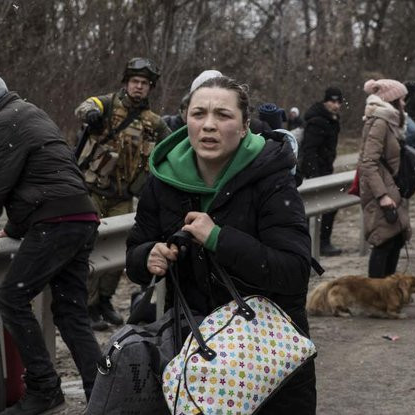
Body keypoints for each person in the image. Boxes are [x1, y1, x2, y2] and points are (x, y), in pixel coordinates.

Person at [126, 75, 316, 414]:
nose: (209, 125)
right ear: (185, 119)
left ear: (244, 126)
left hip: (267, 354)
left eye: (223, 115)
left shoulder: (272, 180)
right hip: (196, 352)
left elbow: (294, 272)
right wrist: (148, 256)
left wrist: (218, 238)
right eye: (199, 114)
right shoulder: (162, 181)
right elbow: (135, 255)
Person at [0, 71, 102, 414]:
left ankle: (43, 388)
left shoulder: (4, 123)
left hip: (56, 223)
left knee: (11, 299)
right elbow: (37, 179)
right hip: (81, 217)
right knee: (70, 313)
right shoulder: (32, 113)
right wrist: (14, 229)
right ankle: (102, 392)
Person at [74, 57, 171, 330]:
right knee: (90, 247)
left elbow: (174, 144)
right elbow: (85, 106)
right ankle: (88, 304)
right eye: (135, 82)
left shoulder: (152, 122)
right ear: (127, 83)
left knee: (119, 251)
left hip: (123, 196)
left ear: (150, 88)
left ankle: (105, 301)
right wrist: (90, 114)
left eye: (144, 83)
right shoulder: (106, 105)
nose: (139, 87)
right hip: (92, 191)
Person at [357, 79, 412, 278]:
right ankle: (375, 295)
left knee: (395, 239)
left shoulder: (391, 122)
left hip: (392, 187)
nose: (404, 104)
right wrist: (382, 195)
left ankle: (387, 294)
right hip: (383, 191)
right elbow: (368, 162)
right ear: (393, 100)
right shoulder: (380, 122)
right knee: (384, 241)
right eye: (402, 99)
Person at [299, 86, 343, 256]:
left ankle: (319, 241)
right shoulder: (318, 121)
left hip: (325, 169)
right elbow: (309, 150)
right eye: (333, 101)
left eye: (339, 101)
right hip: (315, 173)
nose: (336, 105)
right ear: (325, 101)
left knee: (329, 207)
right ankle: (319, 243)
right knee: (324, 207)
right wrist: (314, 176)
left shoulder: (332, 119)